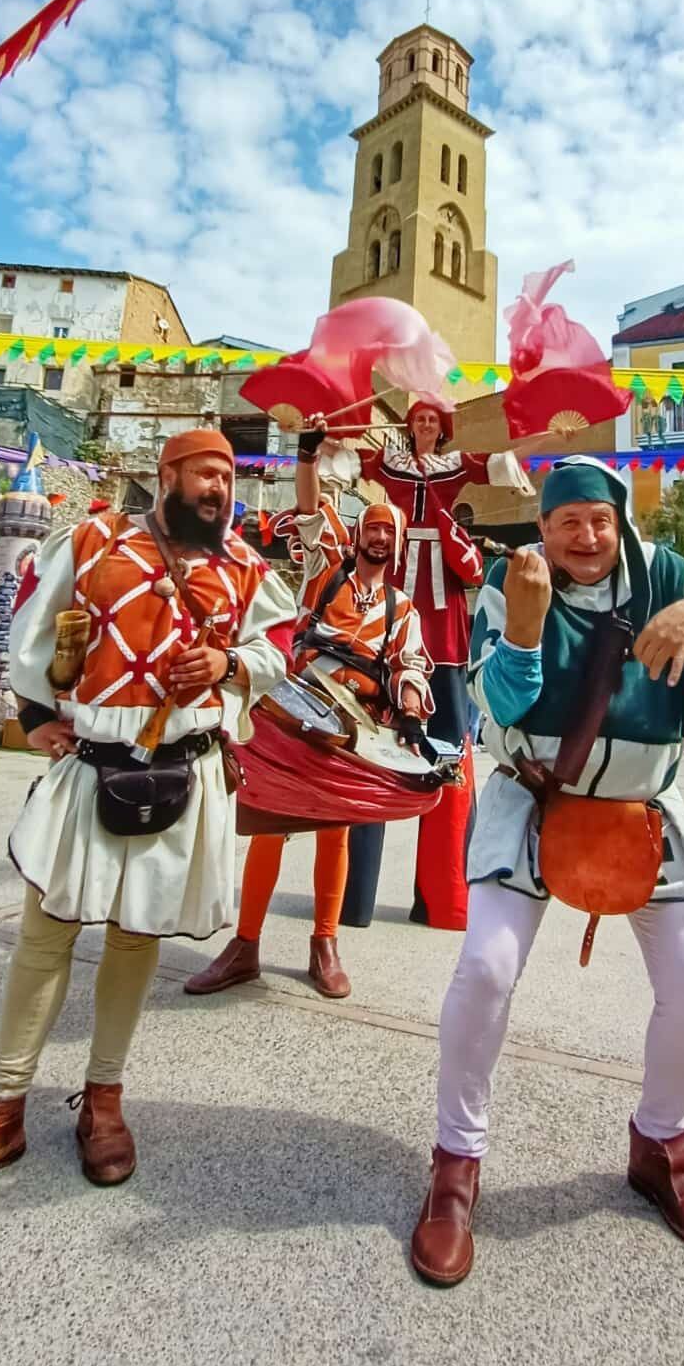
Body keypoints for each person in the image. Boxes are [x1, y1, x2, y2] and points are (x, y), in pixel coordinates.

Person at [410, 456, 684, 1285]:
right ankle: (455, 1164)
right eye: (567, 522)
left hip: (640, 810)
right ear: (542, 529)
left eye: (600, 521)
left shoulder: (668, 576)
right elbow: (499, 707)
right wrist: (524, 628)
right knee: (485, 968)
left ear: (620, 523)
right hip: (531, 799)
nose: (585, 537)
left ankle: (664, 1145)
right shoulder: (510, 583)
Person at [0, 429, 295, 1210]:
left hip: (183, 769)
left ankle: (104, 1096)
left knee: (136, 935)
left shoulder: (243, 565)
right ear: (168, 475)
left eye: (227, 476)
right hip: (92, 763)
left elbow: (278, 647)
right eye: (205, 473)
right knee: (45, 933)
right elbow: (35, 620)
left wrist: (229, 664)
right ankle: (0, 1109)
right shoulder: (93, 540)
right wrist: (34, 715)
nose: (219, 488)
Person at [184, 421, 434, 1001]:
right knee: (269, 827)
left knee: (334, 834)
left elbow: (410, 666)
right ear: (359, 535)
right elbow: (307, 507)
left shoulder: (403, 609)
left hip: (351, 727)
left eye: (387, 531)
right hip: (292, 708)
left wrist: (411, 710)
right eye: (371, 527)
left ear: (396, 545)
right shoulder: (327, 572)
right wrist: (306, 455)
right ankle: (244, 944)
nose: (378, 537)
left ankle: (325, 944)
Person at [337, 396, 531, 930]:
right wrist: (322, 433)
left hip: (442, 617)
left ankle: (443, 898)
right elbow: (347, 459)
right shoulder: (391, 464)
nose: (424, 426)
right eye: (418, 419)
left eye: (432, 421)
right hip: (394, 591)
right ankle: (353, 900)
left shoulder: (453, 468)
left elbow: (500, 462)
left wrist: (545, 441)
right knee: (371, 749)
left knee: (448, 756)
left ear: (441, 429)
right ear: (410, 426)